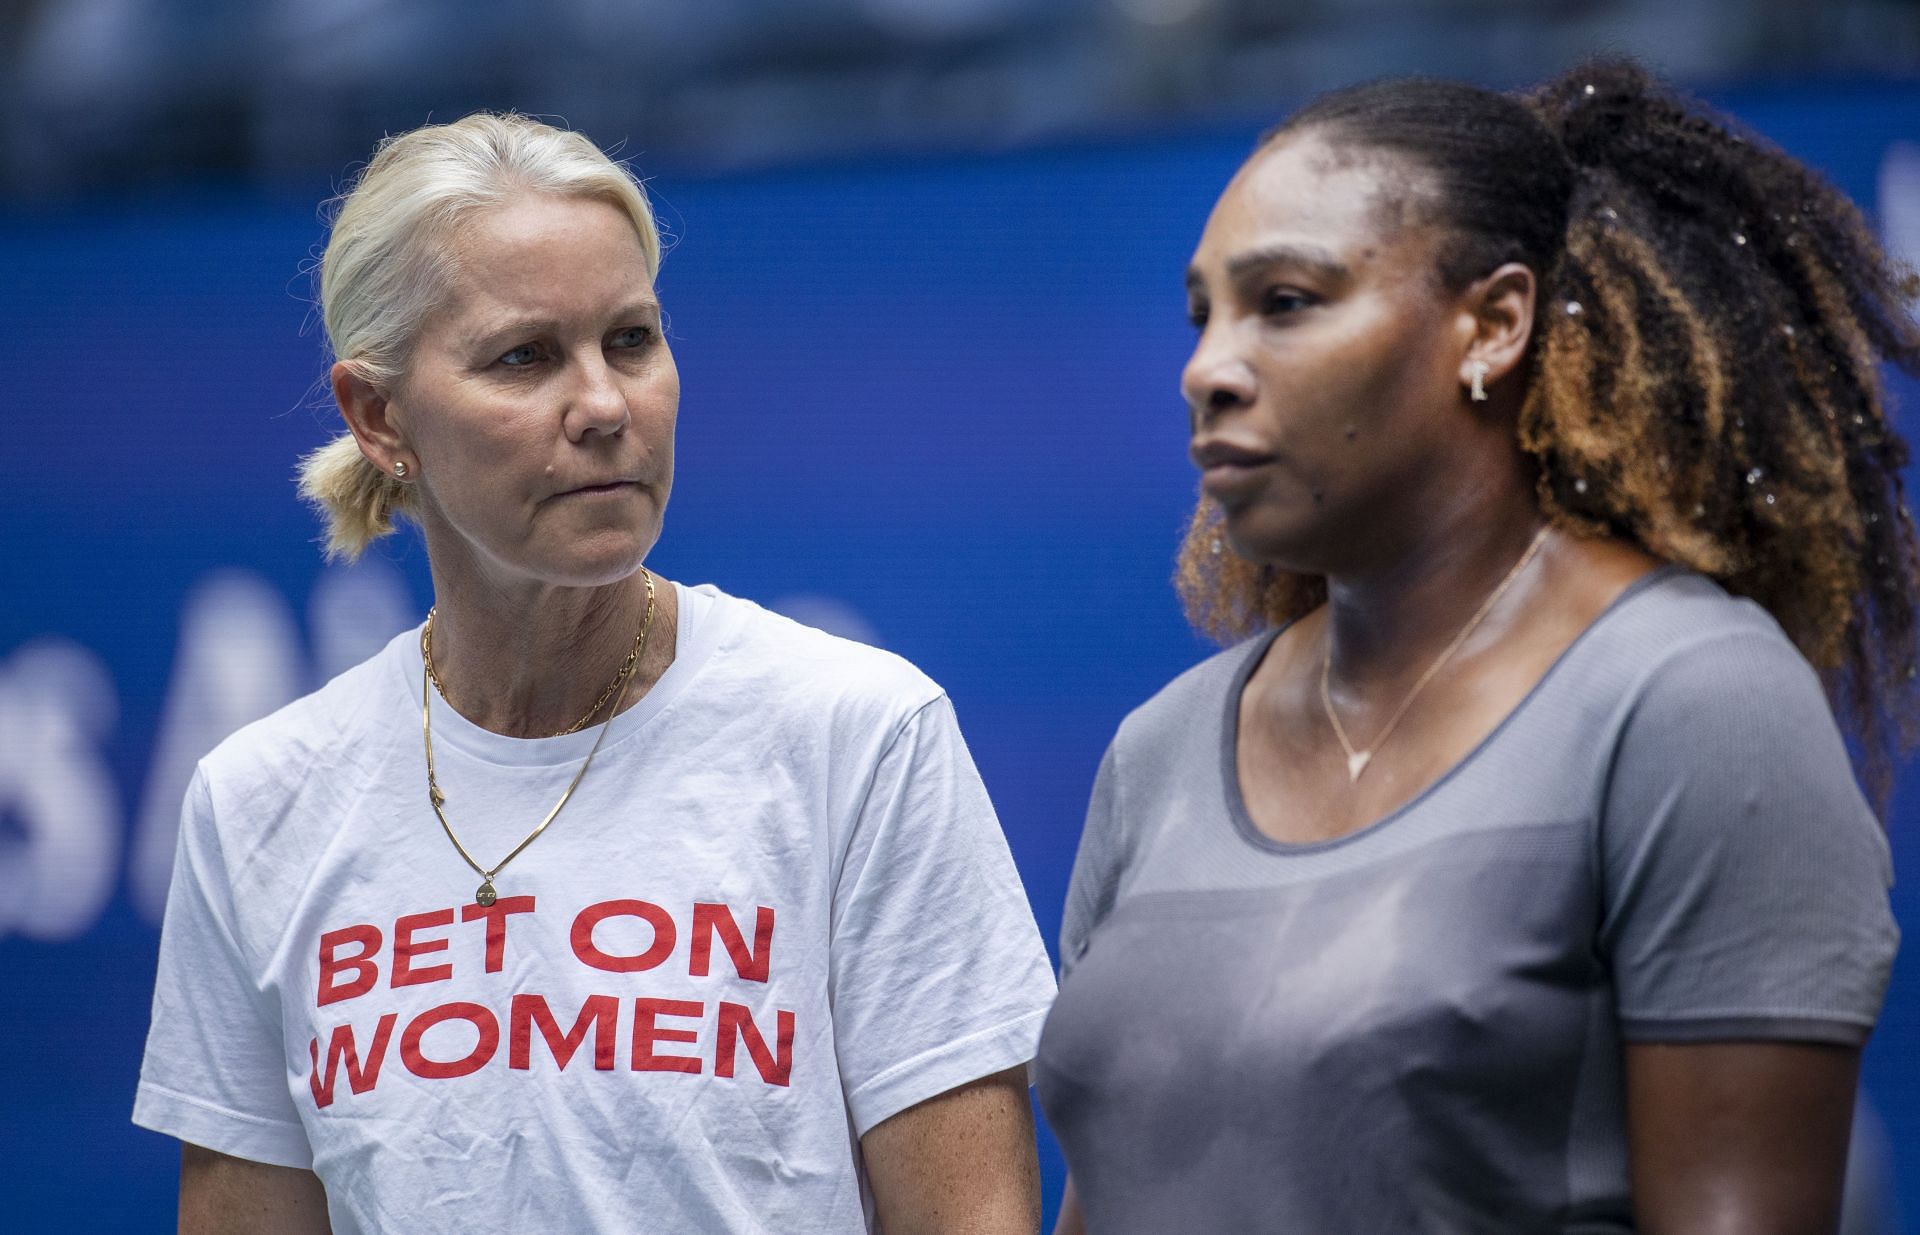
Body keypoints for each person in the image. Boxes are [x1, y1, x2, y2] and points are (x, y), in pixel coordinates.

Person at [133, 112, 1055, 1235]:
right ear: (380, 417)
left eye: (631, 340)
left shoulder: (859, 734)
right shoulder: (256, 802)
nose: (607, 406)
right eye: (525, 356)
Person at [1036, 61, 1913, 1233]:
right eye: (1203, 314)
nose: (1209, 367)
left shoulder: (1691, 702)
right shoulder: (1161, 748)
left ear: (1493, 324)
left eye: (1284, 300)